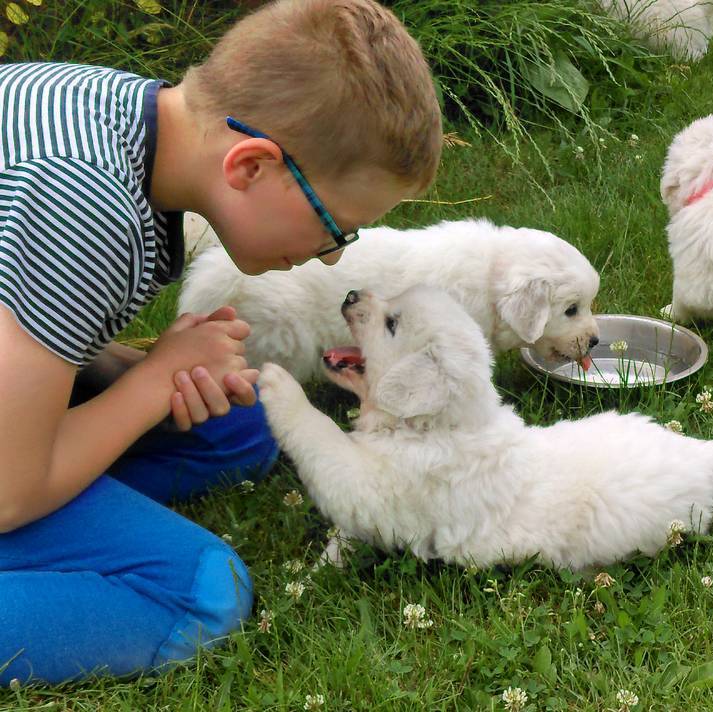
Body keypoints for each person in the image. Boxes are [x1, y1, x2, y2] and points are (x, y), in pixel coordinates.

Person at [0, 0, 442, 685]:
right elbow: (7, 491)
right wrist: (151, 385)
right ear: (251, 167)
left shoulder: (124, 118)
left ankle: (64, 482)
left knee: (242, 430)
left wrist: (146, 372)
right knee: (201, 592)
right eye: (335, 228)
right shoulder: (87, 205)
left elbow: (24, 321)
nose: (329, 258)